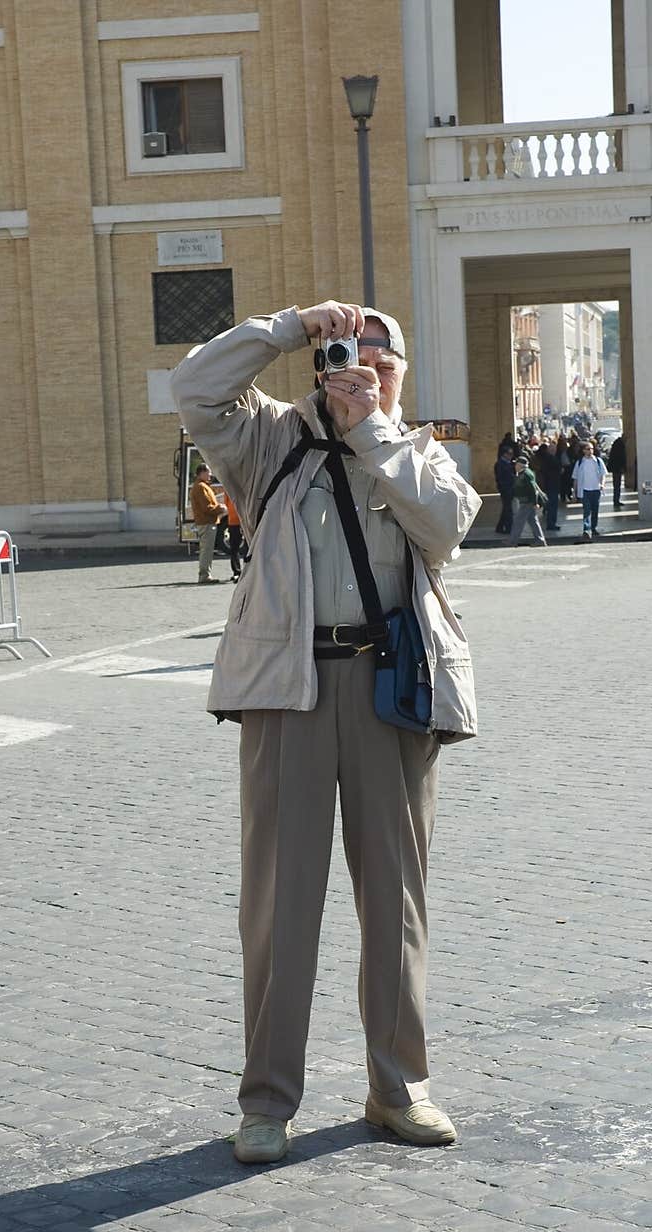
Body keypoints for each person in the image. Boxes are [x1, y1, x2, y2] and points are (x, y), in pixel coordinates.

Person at [171, 299, 481, 1163]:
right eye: (348, 351)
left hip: (391, 693)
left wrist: (375, 426)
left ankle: (399, 1087)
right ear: (319, 359)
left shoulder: (414, 451)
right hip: (287, 689)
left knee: (396, 898)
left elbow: (449, 526)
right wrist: (287, 327)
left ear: (403, 374)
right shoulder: (268, 436)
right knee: (279, 902)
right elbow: (193, 386)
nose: (361, 366)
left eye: (382, 359)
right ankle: (267, 1100)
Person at [190, 462, 227, 584]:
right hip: (206, 523)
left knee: (206, 549)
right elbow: (207, 507)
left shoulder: (201, 486)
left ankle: (205, 574)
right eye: (208, 472)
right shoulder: (201, 487)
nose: (210, 474)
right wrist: (221, 508)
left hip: (206, 522)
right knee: (206, 550)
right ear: (202, 473)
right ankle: (204, 575)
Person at [509, 455, 548, 546]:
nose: (515, 466)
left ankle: (512, 541)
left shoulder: (526, 474)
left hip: (527, 502)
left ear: (520, 465)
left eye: (516, 464)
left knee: (518, 521)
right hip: (526, 501)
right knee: (533, 521)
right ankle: (540, 540)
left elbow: (533, 490)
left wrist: (535, 503)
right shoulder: (524, 473)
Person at [573, 439, 607, 540]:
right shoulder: (580, 463)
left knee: (595, 510)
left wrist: (602, 484)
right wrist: (574, 492)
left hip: (596, 489)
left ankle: (593, 528)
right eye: (588, 449)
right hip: (585, 490)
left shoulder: (598, 461)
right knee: (586, 510)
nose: (590, 451)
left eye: (592, 448)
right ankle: (586, 530)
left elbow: (603, 474)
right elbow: (575, 478)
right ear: (583, 450)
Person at [535, 440, 561, 531]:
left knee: (552, 505)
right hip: (552, 484)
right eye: (553, 449)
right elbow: (552, 471)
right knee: (552, 506)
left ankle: (552, 523)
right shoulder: (551, 459)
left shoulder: (548, 458)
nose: (555, 450)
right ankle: (551, 524)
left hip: (550, 484)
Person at [494, 443, 516, 534]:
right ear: (504, 454)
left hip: (509, 488)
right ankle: (508, 528)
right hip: (505, 488)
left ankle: (499, 527)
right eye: (509, 454)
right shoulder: (500, 464)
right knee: (508, 509)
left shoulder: (508, 463)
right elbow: (501, 477)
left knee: (506, 508)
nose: (511, 456)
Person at [226, 489, 243, 582]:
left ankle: (237, 571)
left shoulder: (228, 487)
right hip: (241, 520)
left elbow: (226, 502)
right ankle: (242, 572)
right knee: (246, 548)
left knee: (234, 548)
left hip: (233, 521)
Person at [608, 434, 627, 508]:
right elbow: (620, 458)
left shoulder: (617, 444)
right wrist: (623, 467)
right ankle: (616, 501)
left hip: (616, 468)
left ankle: (616, 500)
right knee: (617, 485)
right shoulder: (619, 445)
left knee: (617, 485)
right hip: (617, 469)